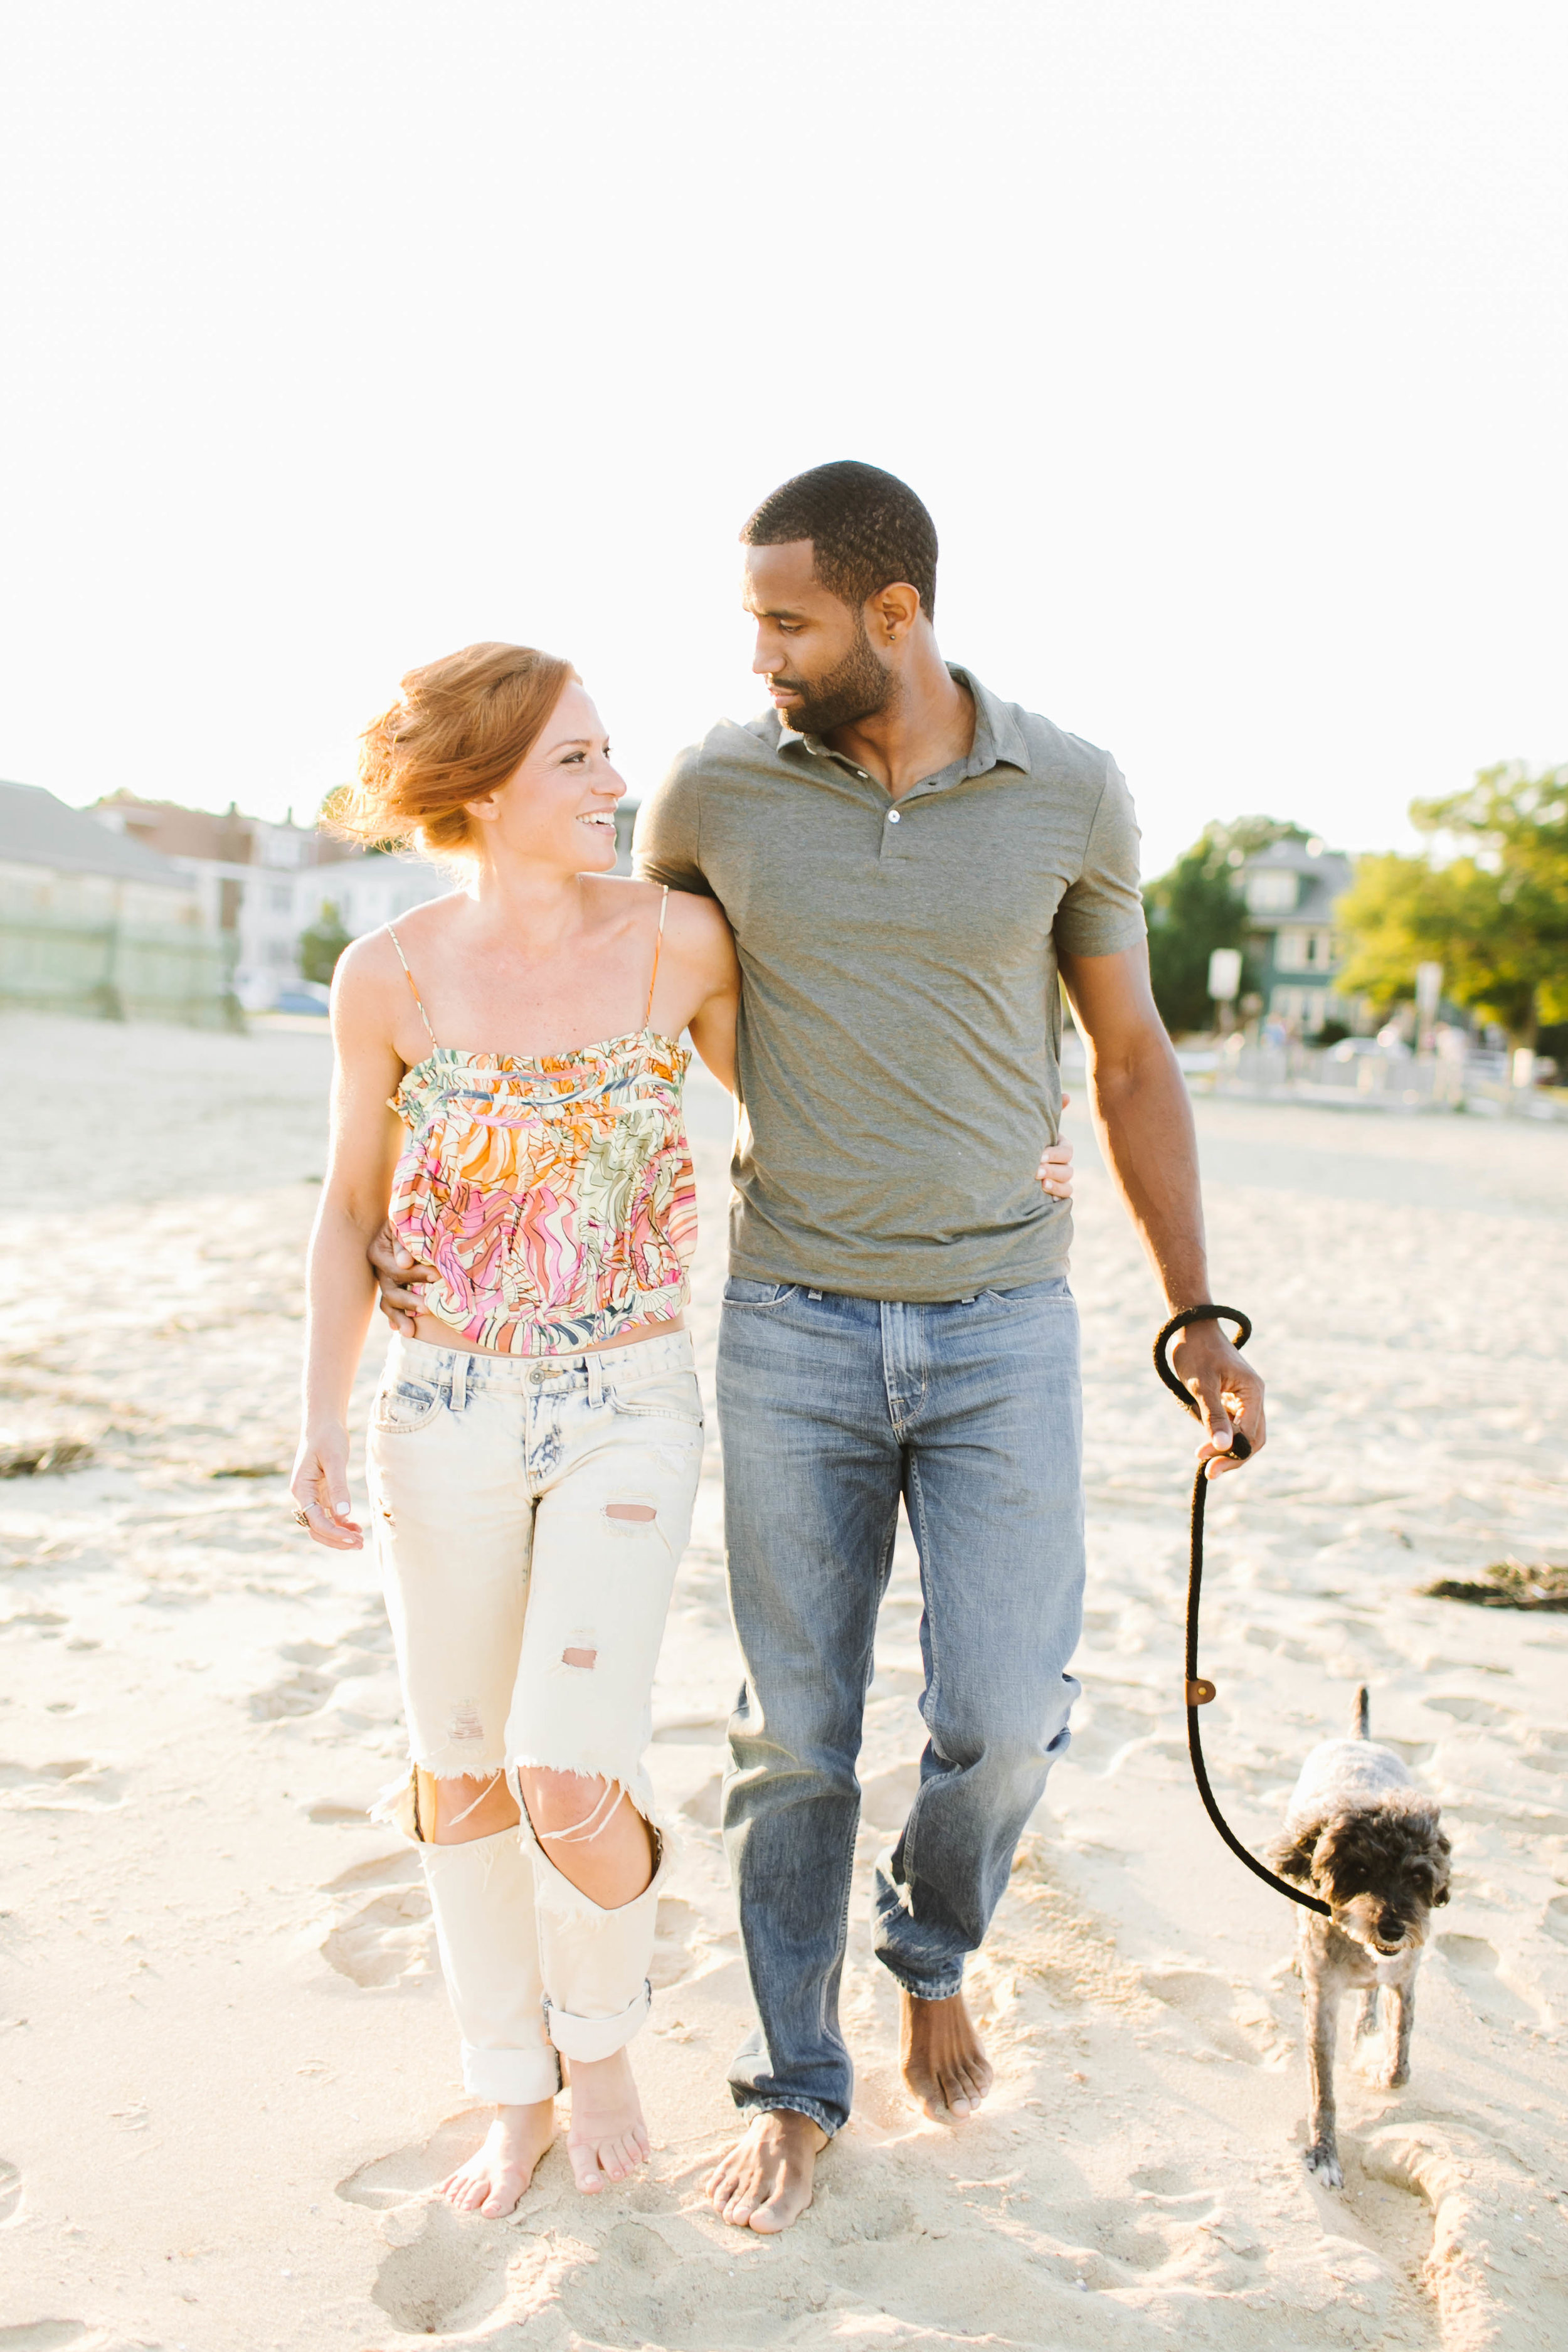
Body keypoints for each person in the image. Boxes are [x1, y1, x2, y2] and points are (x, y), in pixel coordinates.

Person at [373, 460, 1264, 2238]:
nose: (759, 654)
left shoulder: (1070, 787)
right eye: (750, 622)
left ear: (894, 613)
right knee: (796, 1730)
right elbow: (621, 976)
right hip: (787, 1314)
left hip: (1007, 1316)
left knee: (1003, 1716)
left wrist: (1191, 1312)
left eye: (785, 621)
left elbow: (1134, 1053)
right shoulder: (713, 781)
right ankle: (793, 2077)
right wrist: (472, 1189)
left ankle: (928, 1944)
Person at [288, 641, 742, 2217]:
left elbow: (807, 1111)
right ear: (482, 788)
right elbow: (353, 1206)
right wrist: (321, 1417)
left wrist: (1001, 1155)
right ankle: (512, 2087)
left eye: (611, 753)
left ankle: (602, 2041)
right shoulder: (390, 975)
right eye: (576, 760)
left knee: (564, 1767)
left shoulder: (682, 943)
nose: (617, 784)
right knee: (463, 1772)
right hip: (442, 1406)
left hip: (626, 1398)